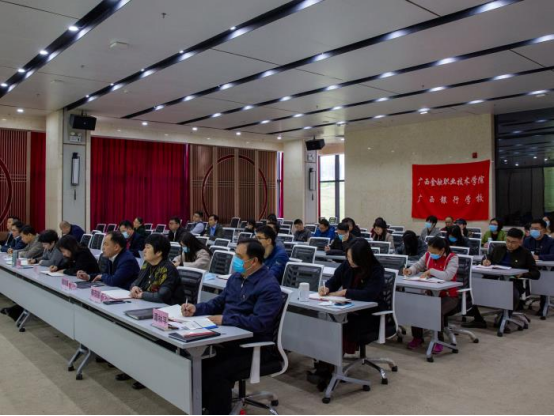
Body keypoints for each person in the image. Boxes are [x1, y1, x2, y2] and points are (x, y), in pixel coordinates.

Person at [181, 239, 284, 416]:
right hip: (229, 339)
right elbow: (219, 302)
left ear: (254, 261)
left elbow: (258, 323)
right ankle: (205, 406)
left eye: (239, 256)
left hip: (254, 347)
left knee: (215, 371)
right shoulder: (236, 278)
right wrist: (196, 309)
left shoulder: (268, 286)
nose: (235, 260)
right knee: (194, 361)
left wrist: (224, 319)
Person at [313, 239, 385, 388]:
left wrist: (345, 292)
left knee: (340, 327)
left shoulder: (376, 270)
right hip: (348, 310)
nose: (349, 261)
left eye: (352, 258)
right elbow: (334, 280)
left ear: (362, 257)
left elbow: (370, 294)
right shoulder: (347, 265)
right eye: (348, 257)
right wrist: (326, 288)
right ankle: (324, 366)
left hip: (370, 315)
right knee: (327, 324)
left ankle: (329, 370)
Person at [463, 228, 540, 330]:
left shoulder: (525, 253)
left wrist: (523, 274)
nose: (510, 244)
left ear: (520, 241)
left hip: (513, 283)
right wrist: (485, 261)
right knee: (472, 290)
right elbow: (487, 258)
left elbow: (536, 273)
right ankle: (478, 319)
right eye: (508, 241)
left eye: (513, 242)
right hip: (493, 279)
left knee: (512, 293)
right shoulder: (498, 249)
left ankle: (505, 318)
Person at [403, 237, 460, 354]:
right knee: (417, 306)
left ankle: (438, 340)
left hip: (449, 296)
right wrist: (410, 270)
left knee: (435, 310)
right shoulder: (428, 254)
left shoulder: (452, 258)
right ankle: (417, 337)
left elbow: (448, 275)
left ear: (442, 250)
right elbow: (418, 265)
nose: (431, 254)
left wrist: (431, 271)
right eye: (429, 251)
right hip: (431, 293)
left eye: (434, 252)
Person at [76, 232, 140, 290]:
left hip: (126, 294)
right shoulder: (111, 256)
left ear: (116, 247)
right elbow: (105, 275)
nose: (103, 248)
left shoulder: (127, 260)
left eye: (106, 244)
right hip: (114, 290)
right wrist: (88, 277)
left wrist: (102, 276)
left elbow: (114, 281)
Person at [130, 234, 180, 305]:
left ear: (158, 252)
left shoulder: (168, 269)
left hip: (166, 307)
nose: (144, 251)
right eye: (144, 247)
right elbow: (137, 281)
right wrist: (134, 287)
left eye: (148, 248)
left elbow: (161, 296)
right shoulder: (147, 263)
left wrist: (142, 295)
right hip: (147, 303)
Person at [523, 219, 554, 318]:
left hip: (547, 269)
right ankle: (519, 302)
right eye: (532, 228)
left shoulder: (550, 241)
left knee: (544, 279)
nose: (533, 230)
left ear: (544, 230)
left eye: (536, 229)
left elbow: (553, 255)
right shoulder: (527, 240)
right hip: (531, 268)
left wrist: (539, 257)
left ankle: (543, 305)